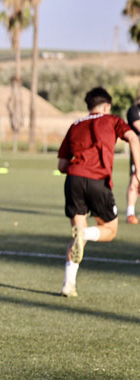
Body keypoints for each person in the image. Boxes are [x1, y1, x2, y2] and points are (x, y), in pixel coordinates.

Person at [57, 87, 140, 297]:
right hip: (97, 180)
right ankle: (84, 234)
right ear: (106, 106)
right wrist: (139, 172)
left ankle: (69, 284)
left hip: (73, 180)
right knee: (110, 230)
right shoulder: (112, 120)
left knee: (78, 235)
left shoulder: (75, 125)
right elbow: (133, 138)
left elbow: (61, 165)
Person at [124, 89, 140, 224]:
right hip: (138, 151)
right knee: (135, 180)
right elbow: (138, 126)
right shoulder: (134, 110)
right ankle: (130, 213)